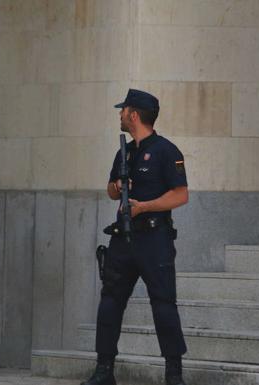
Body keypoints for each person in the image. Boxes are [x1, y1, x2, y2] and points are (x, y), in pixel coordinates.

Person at [81, 89, 189, 385]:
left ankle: (174, 375)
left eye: (123, 110)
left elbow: (181, 196)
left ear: (134, 114)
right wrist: (118, 185)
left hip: (155, 239)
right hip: (123, 239)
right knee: (110, 301)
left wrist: (145, 207)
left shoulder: (167, 151)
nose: (119, 114)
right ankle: (104, 370)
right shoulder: (124, 151)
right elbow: (111, 190)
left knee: (163, 304)